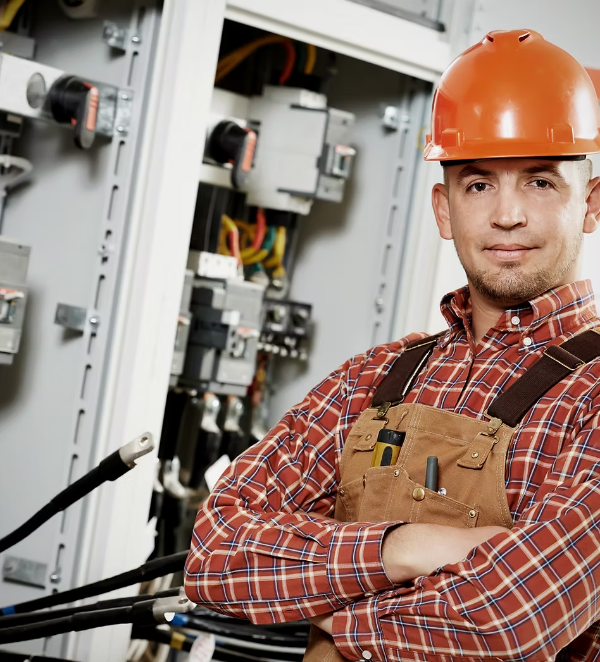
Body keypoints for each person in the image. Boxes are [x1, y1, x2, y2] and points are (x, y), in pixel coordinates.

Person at [184, 29, 600, 661]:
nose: (507, 215)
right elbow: (216, 552)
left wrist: (333, 633)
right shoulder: (374, 379)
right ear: (443, 208)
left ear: (592, 205)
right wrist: (402, 547)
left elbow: (510, 618)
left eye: (541, 182)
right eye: (479, 184)